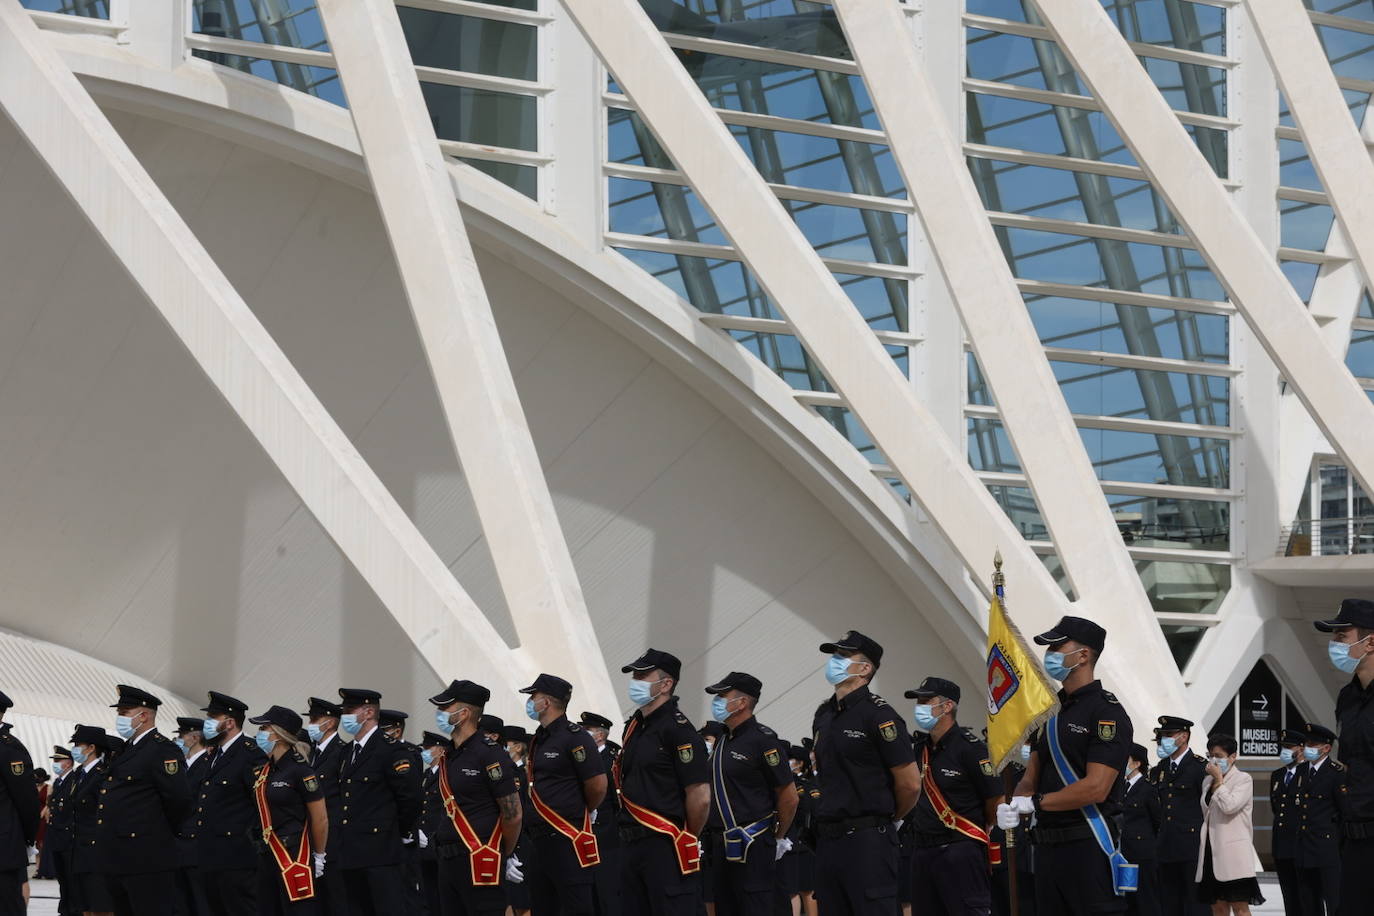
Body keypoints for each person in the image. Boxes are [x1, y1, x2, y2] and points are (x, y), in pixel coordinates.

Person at [1001, 615, 1134, 916]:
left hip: (1088, 846)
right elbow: (1031, 777)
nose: (1050, 656)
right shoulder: (1049, 713)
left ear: (1083, 655)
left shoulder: (1105, 712)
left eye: (1058, 648)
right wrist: (1012, 804)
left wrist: (1035, 804)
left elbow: (1096, 787)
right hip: (1047, 850)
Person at [811, 631, 918, 916]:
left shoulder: (880, 715)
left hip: (868, 840)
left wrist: (888, 818)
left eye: (843, 656)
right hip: (829, 839)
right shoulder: (824, 715)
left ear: (865, 668)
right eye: (834, 655)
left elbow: (910, 785)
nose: (834, 661)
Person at [615, 648, 710, 915]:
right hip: (631, 843)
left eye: (643, 676)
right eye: (635, 675)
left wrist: (687, 836)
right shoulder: (634, 727)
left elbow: (700, 797)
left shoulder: (678, 730)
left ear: (666, 684)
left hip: (665, 844)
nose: (636, 682)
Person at [700, 672, 796, 916]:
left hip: (753, 842)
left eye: (723, 696)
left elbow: (788, 796)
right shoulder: (722, 739)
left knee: (756, 907)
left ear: (742, 702)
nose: (717, 701)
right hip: (721, 844)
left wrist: (777, 836)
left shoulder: (763, 740)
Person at [904, 676, 999, 916]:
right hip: (923, 851)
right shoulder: (919, 749)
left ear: (947, 706)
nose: (920, 707)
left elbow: (994, 800)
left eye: (926, 701)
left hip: (960, 850)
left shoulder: (971, 749)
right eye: (919, 702)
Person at [428, 679, 523, 916]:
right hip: (448, 860)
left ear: (465, 713)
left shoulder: (489, 754)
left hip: (479, 857)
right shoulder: (450, 754)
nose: (440, 713)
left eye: (446, 707)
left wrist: (502, 852)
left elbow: (512, 814)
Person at [519, 673, 607, 916]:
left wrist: (580, 809)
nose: (530, 702)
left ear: (545, 703)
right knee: (542, 906)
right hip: (538, 841)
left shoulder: (574, 737)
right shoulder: (539, 739)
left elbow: (598, 785)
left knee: (576, 906)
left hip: (566, 837)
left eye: (533, 697)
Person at [100, 684, 191, 916]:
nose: (119, 718)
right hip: (120, 855)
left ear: (143, 715)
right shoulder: (126, 749)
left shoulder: (162, 750)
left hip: (148, 856)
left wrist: (158, 835)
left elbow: (178, 800)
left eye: (124, 713)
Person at [335, 687, 422, 915]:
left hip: (381, 851)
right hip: (351, 851)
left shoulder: (391, 750)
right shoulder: (347, 753)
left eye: (350, 710)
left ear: (368, 712)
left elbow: (410, 799)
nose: (345, 715)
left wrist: (399, 832)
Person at [1316, 597, 1374, 911]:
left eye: (1342, 636)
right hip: (1352, 839)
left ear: (1371, 641)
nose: (1334, 644)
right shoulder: (1347, 697)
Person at [247, 705, 328, 915]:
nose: (260, 734)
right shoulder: (266, 770)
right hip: (267, 854)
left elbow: (320, 818)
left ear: (278, 733)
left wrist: (319, 856)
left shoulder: (300, 769)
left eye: (264, 728)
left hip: (294, 854)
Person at [195, 691, 266, 916]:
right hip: (210, 854)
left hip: (237, 856)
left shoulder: (250, 754)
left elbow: (260, 805)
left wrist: (251, 843)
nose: (207, 724)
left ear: (229, 722)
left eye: (213, 718)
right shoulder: (215, 754)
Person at [1195, 734, 1263, 915]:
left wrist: (1219, 781)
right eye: (1210, 755)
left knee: (1239, 907)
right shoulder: (1206, 781)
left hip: (1233, 854)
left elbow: (1229, 806)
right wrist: (1214, 780)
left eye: (1219, 755)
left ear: (1233, 757)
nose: (1214, 760)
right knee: (1217, 906)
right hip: (1210, 850)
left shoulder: (1243, 779)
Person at [1149, 715, 1208, 916]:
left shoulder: (1200, 767)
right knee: (1168, 904)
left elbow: (1208, 807)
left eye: (1168, 734)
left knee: (1195, 904)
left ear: (1183, 737)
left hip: (1192, 847)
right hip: (1165, 846)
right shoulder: (1159, 770)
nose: (1164, 739)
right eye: (1162, 735)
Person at [301, 696, 346, 916]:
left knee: (335, 900)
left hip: (334, 839)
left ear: (329, 723)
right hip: (312, 837)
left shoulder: (342, 753)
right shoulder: (312, 754)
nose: (310, 723)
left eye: (314, 719)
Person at [1294, 723, 1343, 915]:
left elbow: (1343, 812)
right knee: (1309, 903)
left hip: (1326, 849)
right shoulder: (1301, 771)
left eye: (1313, 744)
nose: (1308, 747)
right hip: (1304, 849)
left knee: (1333, 901)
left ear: (1326, 748)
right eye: (1307, 743)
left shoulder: (1335, 773)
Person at [67, 726, 115, 916]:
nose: (75, 749)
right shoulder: (79, 774)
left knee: (101, 906)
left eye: (79, 745)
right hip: (78, 850)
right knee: (84, 905)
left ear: (92, 748)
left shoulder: (103, 774)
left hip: (96, 852)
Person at [578, 711, 621, 916]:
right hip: (585, 837)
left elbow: (616, 802)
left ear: (600, 735)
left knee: (607, 895)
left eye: (588, 730)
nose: (583, 734)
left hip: (606, 837)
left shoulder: (611, 762)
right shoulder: (584, 759)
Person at [0, 690, 38, 916]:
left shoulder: (9, 748)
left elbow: (26, 801)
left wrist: (25, 839)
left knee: (6, 907)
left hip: (3, 848)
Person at [174, 716, 211, 916]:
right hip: (179, 845)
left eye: (182, 736)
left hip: (196, 843)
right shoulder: (183, 766)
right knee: (182, 903)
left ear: (195, 737)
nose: (180, 740)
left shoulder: (206, 765)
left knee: (199, 901)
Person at [775, 745, 816, 916]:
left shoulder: (801, 785)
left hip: (797, 842)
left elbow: (803, 811)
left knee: (801, 889)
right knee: (794, 888)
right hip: (790, 842)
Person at [1269, 729, 1305, 916]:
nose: (1285, 751)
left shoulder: (1307, 773)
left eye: (1289, 747)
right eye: (1283, 747)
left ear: (1300, 749)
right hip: (1281, 844)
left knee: (1304, 897)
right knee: (1288, 896)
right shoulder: (1277, 775)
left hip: (1300, 844)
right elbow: (1277, 809)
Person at [1122, 743, 1161, 916]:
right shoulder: (1121, 787)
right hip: (1124, 854)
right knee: (1128, 901)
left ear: (1137, 763)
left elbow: (1158, 821)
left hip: (1143, 855)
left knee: (1146, 900)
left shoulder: (1148, 788)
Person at [502, 723, 536, 916]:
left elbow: (522, 810)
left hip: (522, 841)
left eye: (507, 744)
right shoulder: (509, 772)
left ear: (518, 747)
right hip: (511, 841)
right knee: (510, 898)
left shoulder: (522, 774)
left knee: (522, 900)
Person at [417, 731, 448, 916]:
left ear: (441, 750)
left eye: (429, 748)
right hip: (422, 844)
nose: (425, 751)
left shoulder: (446, 774)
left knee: (440, 894)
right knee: (426, 892)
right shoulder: (425, 774)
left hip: (438, 842)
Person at [44, 745, 76, 916]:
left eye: (58, 760)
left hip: (68, 838)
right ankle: (64, 909)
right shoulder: (58, 782)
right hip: (57, 837)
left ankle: (72, 910)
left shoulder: (74, 780)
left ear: (69, 763)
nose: (55, 764)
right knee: (62, 879)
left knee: (71, 879)